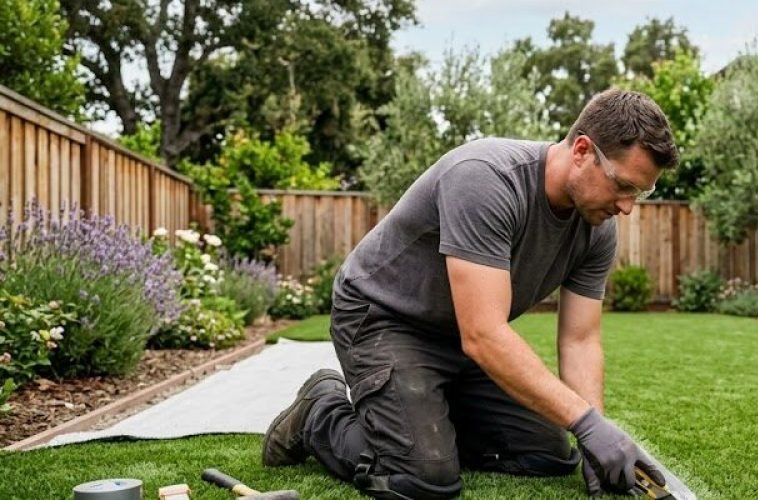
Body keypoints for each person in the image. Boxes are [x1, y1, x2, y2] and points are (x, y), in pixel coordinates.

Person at [261, 88, 680, 499]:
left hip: (456, 333)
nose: (627, 207)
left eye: (640, 193)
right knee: (424, 478)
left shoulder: (597, 229)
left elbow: (580, 339)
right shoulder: (485, 179)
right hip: (383, 318)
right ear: (583, 151)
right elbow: (483, 334)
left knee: (548, 455)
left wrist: (594, 434)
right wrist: (585, 423)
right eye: (623, 185)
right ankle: (320, 411)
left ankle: (426, 418)